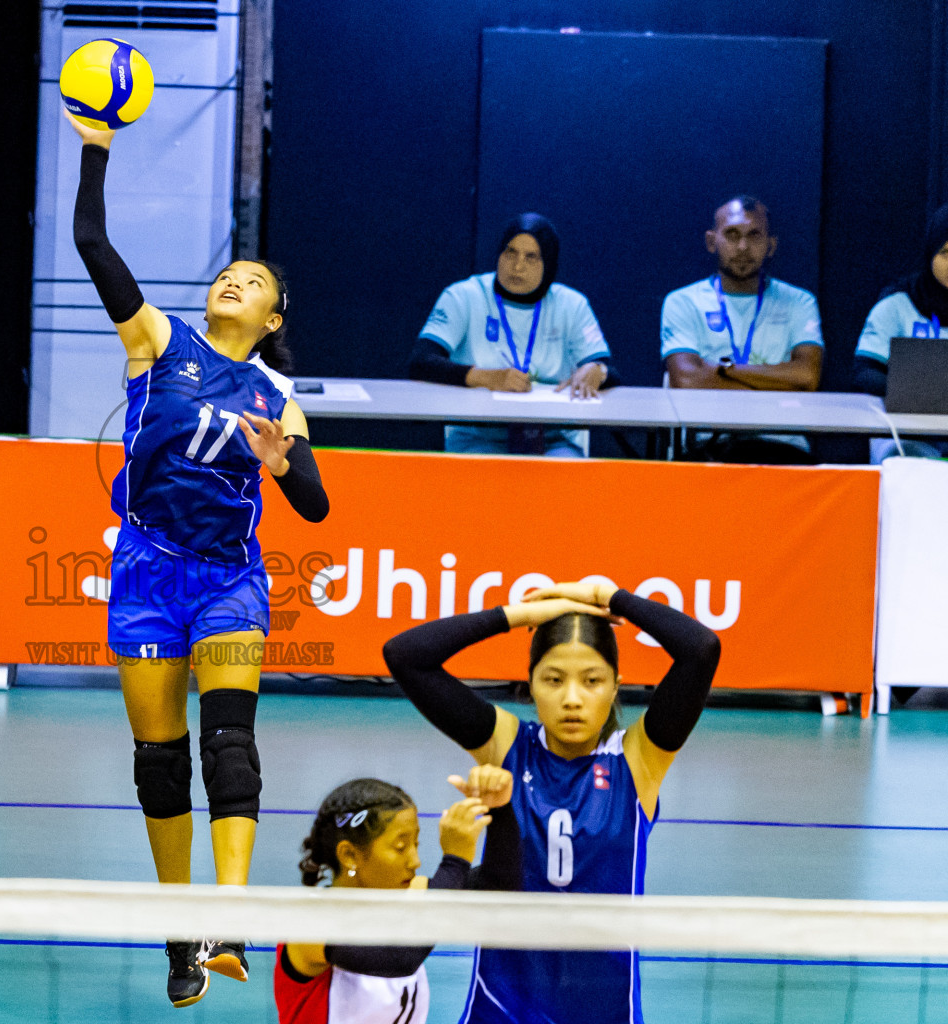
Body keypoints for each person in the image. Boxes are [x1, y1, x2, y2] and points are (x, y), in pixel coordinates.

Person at [64, 109, 332, 1008]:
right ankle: (182, 928)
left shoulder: (279, 394)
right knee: (159, 763)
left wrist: (281, 458)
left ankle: (229, 915)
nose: (232, 281)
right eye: (227, 273)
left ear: (272, 316)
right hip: (145, 573)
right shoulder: (157, 341)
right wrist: (94, 143)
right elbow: (90, 239)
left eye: (251, 281)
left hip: (228, 580)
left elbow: (316, 506)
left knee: (232, 745)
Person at [381, 581, 721, 1024]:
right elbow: (405, 656)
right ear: (531, 685)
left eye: (592, 681)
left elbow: (701, 649)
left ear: (616, 686)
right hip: (501, 1006)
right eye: (554, 680)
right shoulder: (505, 744)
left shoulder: (639, 761)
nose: (572, 699)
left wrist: (610, 596)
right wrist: (518, 615)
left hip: (604, 1008)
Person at [276, 767, 522, 1024]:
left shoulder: (411, 893)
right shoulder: (311, 922)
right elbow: (399, 959)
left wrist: (500, 809)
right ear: (349, 855)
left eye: (416, 844)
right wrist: (455, 861)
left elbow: (498, 887)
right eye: (400, 847)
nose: (415, 861)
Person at [408, 213, 618, 457]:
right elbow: (420, 362)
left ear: (548, 264)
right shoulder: (464, 296)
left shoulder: (572, 304)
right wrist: (485, 377)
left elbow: (609, 371)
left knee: (569, 483)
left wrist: (598, 371)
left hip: (551, 439)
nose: (517, 266)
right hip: (477, 435)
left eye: (531, 257)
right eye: (510, 253)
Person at [660, 196, 824, 464]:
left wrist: (724, 369)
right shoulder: (682, 302)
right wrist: (773, 386)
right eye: (732, 235)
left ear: (771, 246)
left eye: (754, 236)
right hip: (710, 444)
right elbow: (686, 379)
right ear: (712, 241)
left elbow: (806, 376)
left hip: (782, 443)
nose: (743, 247)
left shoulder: (800, 302)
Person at [854, 202, 948, 460]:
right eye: (946, 253)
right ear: (930, 253)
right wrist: (921, 394)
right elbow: (864, 371)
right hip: (905, 434)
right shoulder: (896, 305)